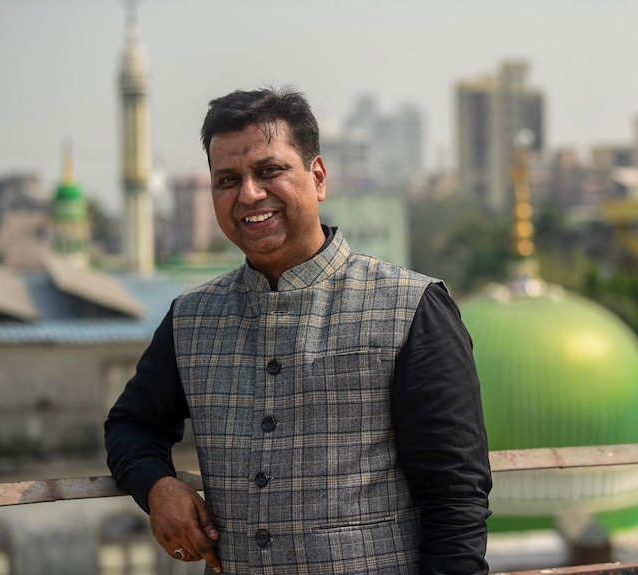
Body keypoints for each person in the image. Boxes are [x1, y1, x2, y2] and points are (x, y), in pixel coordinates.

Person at [105, 87, 491, 575]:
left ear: (318, 177)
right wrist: (158, 487)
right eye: (228, 179)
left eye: (269, 171)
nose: (249, 194)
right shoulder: (192, 319)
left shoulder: (410, 308)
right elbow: (130, 425)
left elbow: (455, 498)